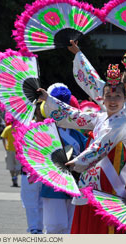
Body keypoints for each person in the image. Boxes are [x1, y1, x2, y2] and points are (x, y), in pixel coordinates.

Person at [39, 65, 126, 234]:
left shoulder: (120, 123)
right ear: (102, 99)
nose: (112, 100)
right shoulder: (101, 118)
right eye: (108, 96)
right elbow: (75, 115)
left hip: (112, 184)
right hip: (94, 181)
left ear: (125, 99)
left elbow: (100, 146)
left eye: (118, 96)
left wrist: (77, 161)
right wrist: (49, 99)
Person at [39, 84, 87, 234]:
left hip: (74, 184)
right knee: (55, 226)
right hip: (53, 184)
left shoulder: (78, 135)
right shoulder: (44, 131)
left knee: (72, 228)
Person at [19, 102, 44, 234]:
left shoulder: (51, 126)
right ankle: (34, 227)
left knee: (42, 202)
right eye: (39, 109)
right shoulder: (27, 126)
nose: (42, 111)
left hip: (45, 171)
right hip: (28, 171)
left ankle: (39, 227)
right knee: (30, 202)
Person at [0, 115, 21, 187]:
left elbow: (3, 138)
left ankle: (13, 177)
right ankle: (16, 176)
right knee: (19, 166)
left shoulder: (8, 128)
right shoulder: (20, 129)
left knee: (10, 165)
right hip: (18, 150)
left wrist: (5, 146)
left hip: (9, 149)